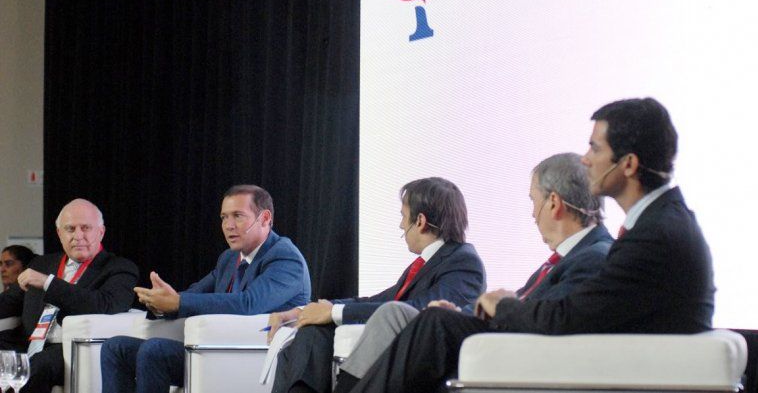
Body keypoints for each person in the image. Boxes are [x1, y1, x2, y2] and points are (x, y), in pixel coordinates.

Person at [347, 97, 715, 393]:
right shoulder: (661, 223)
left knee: (436, 325)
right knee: (436, 323)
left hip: (577, 364)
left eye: (594, 148)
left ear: (628, 164)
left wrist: (504, 306)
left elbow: (570, 316)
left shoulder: (654, 235)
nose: (586, 159)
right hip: (579, 355)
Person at [333, 153, 612, 393]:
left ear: (553, 203)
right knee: (425, 318)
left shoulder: (594, 257)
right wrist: (461, 312)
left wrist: (502, 305)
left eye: (533, 201)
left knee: (434, 322)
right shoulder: (572, 256)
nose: (532, 214)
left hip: (519, 352)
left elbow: (552, 318)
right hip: (504, 340)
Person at [270, 177, 486, 393]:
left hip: (419, 365)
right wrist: (307, 311)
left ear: (420, 221)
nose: (401, 225)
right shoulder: (424, 264)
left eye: (403, 216)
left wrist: (333, 312)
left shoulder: (464, 261)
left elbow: (426, 311)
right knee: (310, 331)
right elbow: (379, 299)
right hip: (397, 353)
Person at [101, 184, 311, 393]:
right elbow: (194, 294)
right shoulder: (229, 258)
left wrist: (178, 302)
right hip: (213, 349)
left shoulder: (285, 257)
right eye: (224, 217)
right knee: (115, 347)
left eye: (237, 216)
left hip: (253, 357)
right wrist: (162, 303)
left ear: (264, 218)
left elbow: (248, 303)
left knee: (154, 349)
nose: (228, 225)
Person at [0, 199, 139, 393]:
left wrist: (48, 283)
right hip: (27, 343)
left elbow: (106, 305)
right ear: (59, 233)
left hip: (69, 349)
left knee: (39, 365)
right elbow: (8, 302)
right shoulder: (41, 264)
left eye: (85, 228)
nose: (78, 236)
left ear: (101, 232)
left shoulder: (119, 268)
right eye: (70, 229)